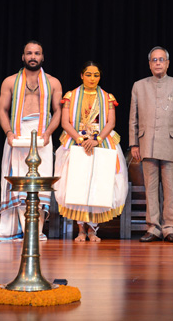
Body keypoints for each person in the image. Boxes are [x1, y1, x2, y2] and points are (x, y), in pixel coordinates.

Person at [54, 61, 128, 242]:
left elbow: (110, 123)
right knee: (77, 184)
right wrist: (81, 140)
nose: (92, 78)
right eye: (88, 74)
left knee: (99, 183)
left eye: (96, 75)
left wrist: (96, 140)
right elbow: (65, 123)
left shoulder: (107, 97)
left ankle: (93, 230)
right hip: (75, 141)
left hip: (101, 141)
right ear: (81, 75)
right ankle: (80, 229)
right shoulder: (71, 96)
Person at [0, 41, 62, 241]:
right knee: (18, 179)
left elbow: (59, 111)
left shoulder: (53, 82)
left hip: (42, 133)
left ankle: (36, 231)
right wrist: (8, 133)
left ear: (42, 57)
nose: (33, 57)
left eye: (37, 53)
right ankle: (21, 231)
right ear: (23, 57)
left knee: (40, 180)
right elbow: (2, 110)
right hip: (17, 134)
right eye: (29, 53)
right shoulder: (9, 81)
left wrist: (48, 133)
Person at [129, 46, 173, 243]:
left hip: (171, 142)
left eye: (161, 59)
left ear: (168, 63)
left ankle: (170, 227)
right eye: (154, 60)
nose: (157, 63)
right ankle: (153, 227)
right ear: (149, 64)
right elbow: (133, 118)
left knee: (171, 189)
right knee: (151, 188)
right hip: (146, 143)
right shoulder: (139, 86)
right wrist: (134, 144)